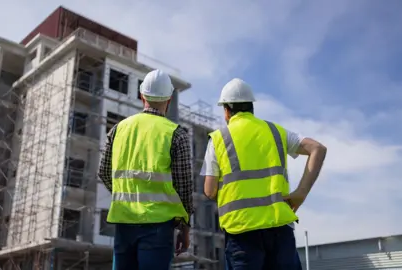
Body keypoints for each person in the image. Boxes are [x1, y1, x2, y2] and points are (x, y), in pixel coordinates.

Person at [201, 78, 327, 270]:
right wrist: (301, 192)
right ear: (252, 107)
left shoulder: (219, 139)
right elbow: (318, 149)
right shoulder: (275, 132)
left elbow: (209, 191)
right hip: (280, 230)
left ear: (226, 110)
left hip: (241, 232)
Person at [98, 69, 193, 270]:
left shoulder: (118, 129)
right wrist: (184, 227)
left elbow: (104, 172)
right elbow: (184, 187)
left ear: (142, 96)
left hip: (124, 221)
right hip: (158, 226)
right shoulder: (176, 134)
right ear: (168, 99)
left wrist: (127, 196)